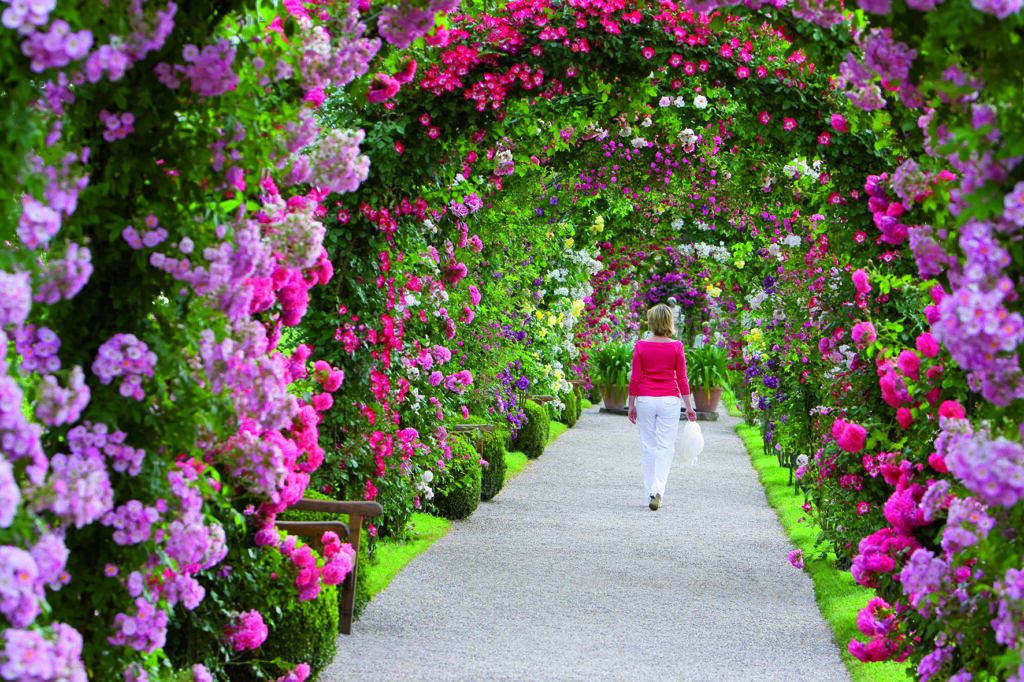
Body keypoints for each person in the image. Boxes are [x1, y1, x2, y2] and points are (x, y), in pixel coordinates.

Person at [626, 304, 696, 511]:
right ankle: (658, 490)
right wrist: (689, 406)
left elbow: (635, 377)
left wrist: (631, 404)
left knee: (648, 446)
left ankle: (650, 491)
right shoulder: (677, 347)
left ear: (652, 322)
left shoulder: (641, 346)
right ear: (669, 322)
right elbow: (682, 379)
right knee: (666, 446)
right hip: (669, 400)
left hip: (646, 399)